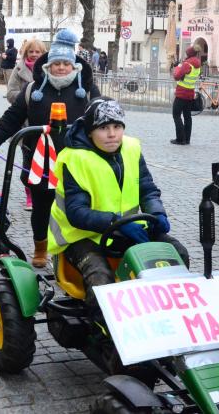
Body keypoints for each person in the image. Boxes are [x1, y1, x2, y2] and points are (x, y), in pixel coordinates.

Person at [48, 97, 190, 311]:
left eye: (117, 126)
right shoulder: (75, 160)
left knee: (177, 253)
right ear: (89, 132)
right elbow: (77, 213)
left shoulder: (131, 149)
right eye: (104, 128)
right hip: (81, 237)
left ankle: (165, 312)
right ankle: (103, 332)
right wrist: (117, 222)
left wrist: (157, 213)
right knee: (100, 277)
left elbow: (147, 188)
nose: (112, 134)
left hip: (126, 229)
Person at [0, 29, 99, 268]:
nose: (62, 68)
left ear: (74, 64)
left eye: (67, 63)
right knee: (41, 208)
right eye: (57, 63)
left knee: (75, 208)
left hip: (77, 163)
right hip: (40, 163)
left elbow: (103, 115)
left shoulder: (85, 90)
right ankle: (41, 248)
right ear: (48, 64)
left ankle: (73, 252)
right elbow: (10, 120)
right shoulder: (32, 90)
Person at [6, 39, 47, 211]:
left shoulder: (48, 69)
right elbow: (10, 93)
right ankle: (30, 194)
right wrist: (28, 97)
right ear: (26, 53)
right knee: (28, 162)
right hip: (26, 124)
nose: (35, 54)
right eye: (32, 52)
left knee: (46, 162)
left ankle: (46, 194)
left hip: (45, 123)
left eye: (38, 52)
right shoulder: (19, 69)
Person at [170, 45, 203, 145]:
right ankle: (187, 139)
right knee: (187, 117)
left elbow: (176, 76)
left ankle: (180, 139)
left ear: (189, 54)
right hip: (190, 93)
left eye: (186, 53)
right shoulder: (197, 65)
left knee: (176, 115)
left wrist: (177, 67)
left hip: (181, 93)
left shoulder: (187, 64)